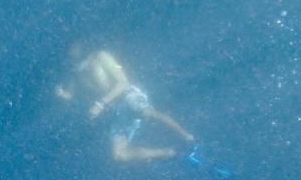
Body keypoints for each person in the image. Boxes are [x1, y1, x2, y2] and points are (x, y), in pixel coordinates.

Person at [54, 45, 196, 162]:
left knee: (147, 113)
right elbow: (71, 95)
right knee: (118, 155)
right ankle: (169, 153)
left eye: (73, 46)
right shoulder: (75, 73)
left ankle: (187, 137)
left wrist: (100, 104)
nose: (70, 51)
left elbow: (123, 83)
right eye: (68, 50)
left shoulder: (100, 57)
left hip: (126, 95)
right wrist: (61, 94)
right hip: (114, 109)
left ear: (80, 44)